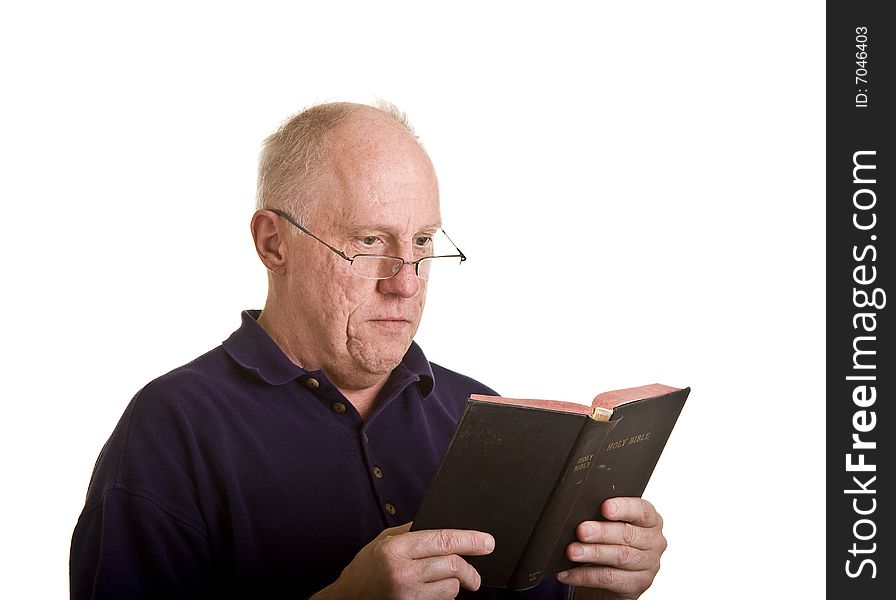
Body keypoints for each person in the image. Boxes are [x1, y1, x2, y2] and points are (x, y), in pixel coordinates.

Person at [70, 101, 668, 599]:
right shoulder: (169, 429)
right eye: (369, 241)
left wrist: (596, 589)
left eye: (422, 242)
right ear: (274, 243)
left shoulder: (479, 411)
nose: (405, 280)